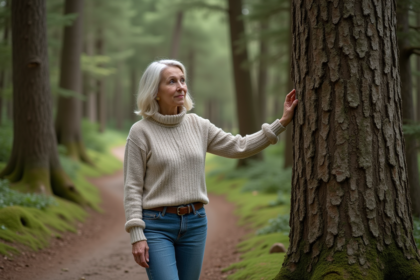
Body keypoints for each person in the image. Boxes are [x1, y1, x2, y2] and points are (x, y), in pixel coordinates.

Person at [123, 59, 298, 280]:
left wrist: (281, 122)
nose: (181, 87)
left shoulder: (199, 125)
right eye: (171, 81)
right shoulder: (140, 132)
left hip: (195, 223)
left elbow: (238, 146)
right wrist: (137, 234)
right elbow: (132, 187)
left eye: (183, 80)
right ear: (154, 91)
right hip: (157, 225)